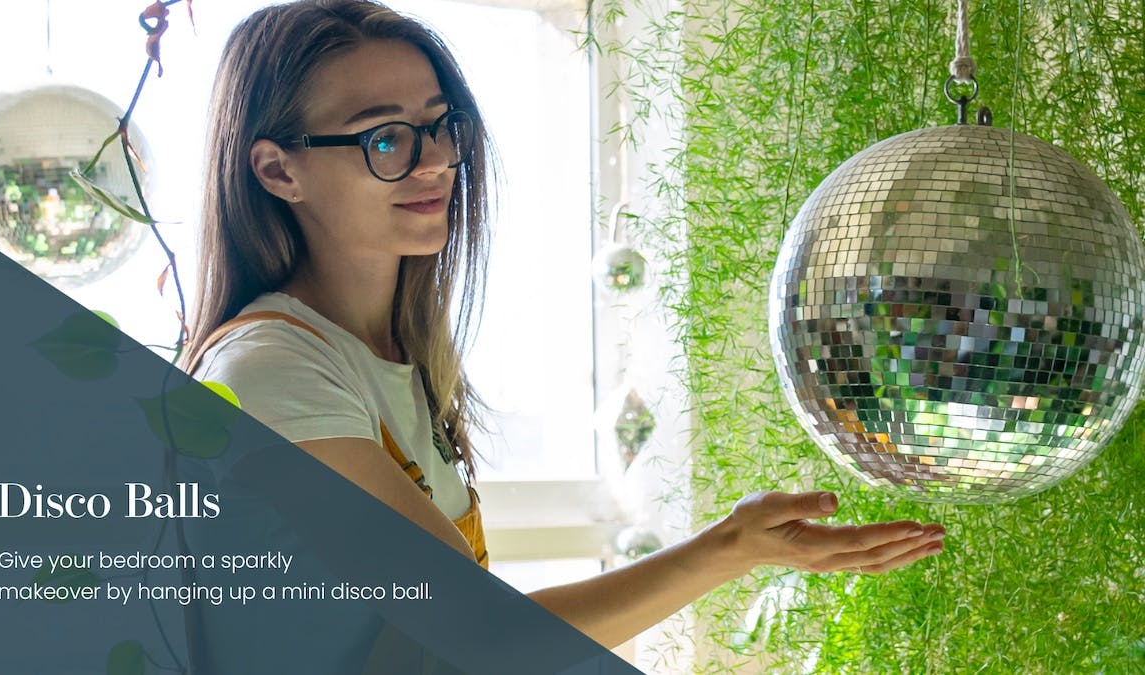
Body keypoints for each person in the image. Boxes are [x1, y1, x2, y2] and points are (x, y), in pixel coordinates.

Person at [182, 0, 945, 657]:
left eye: (441, 127)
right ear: (278, 171)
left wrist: (738, 547)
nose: (438, 161)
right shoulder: (269, 371)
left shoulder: (395, 359)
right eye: (385, 138)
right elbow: (480, 635)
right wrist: (733, 546)